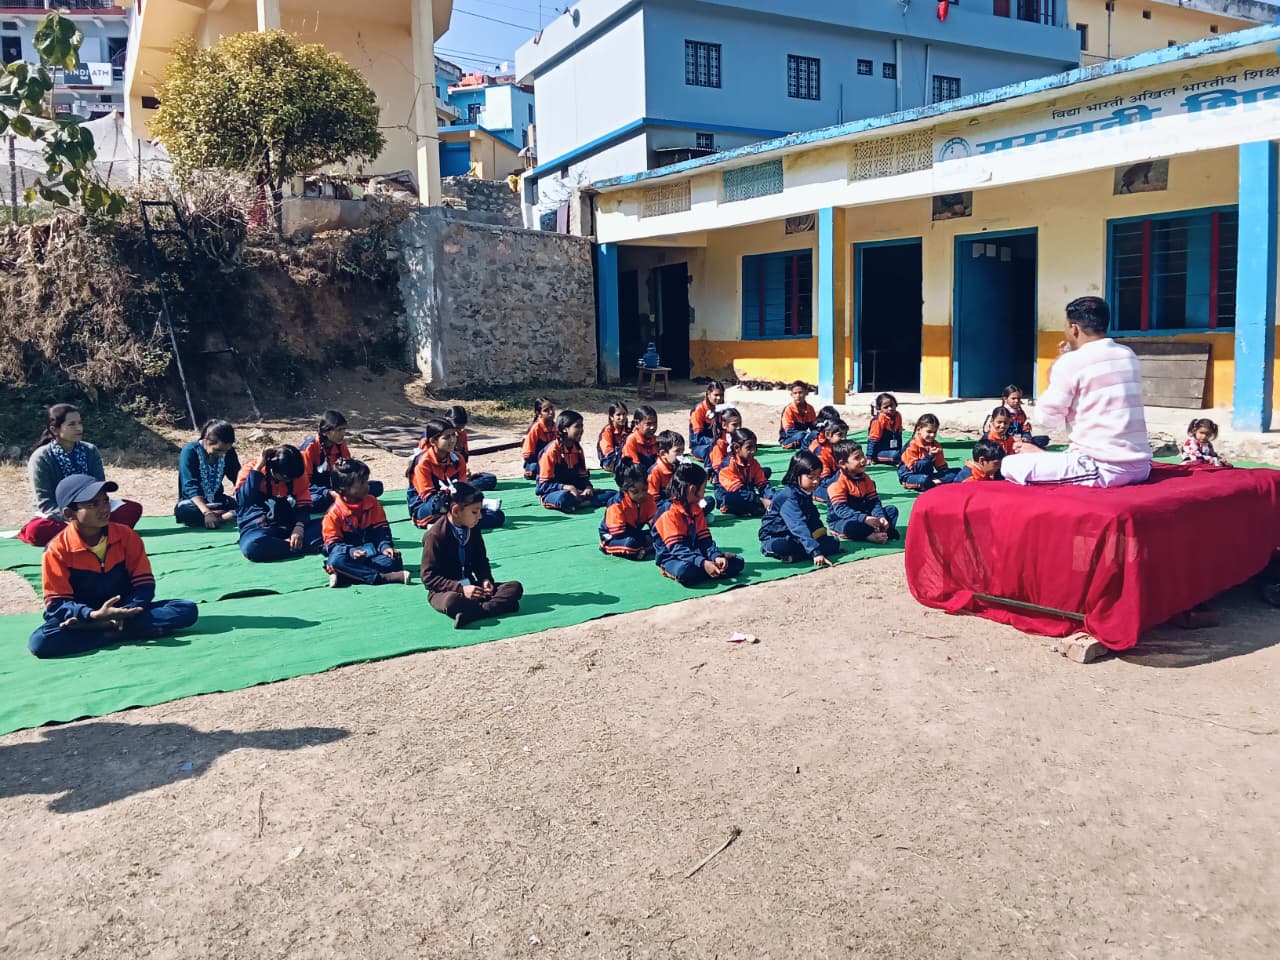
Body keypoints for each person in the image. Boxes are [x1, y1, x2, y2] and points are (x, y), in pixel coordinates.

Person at [28, 475, 198, 658]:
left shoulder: (126, 536)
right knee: (41, 641)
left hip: (123, 612)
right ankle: (122, 631)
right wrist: (93, 615)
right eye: (93, 504)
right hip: (84, 617)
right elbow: (57, 603)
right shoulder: (57, 550)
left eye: (105, 501)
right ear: (69, 514)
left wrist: (125, 611)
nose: (104, 509)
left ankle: (107, 631)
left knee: (186, 609)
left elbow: (144, 584)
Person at [1002, 297, 1152, 487]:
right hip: (1141, 466)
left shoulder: (1070, 362)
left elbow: (1047, 419)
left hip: (1104, 467)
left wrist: (1052, 373)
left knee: (1010, 464)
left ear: (1074, 328)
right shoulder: (1127, 354)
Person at [20, 403, 143, 547]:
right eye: (71, 424)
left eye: (80, 423)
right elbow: (46, 503)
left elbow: (100, 489)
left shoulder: (90, 450)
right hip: (59, 514)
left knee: (131, 509)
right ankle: (96, 530)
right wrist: (76, 516)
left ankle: (87, 529)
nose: (79, 428)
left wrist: (93, 511)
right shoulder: (41, 457)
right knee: (36, 531)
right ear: (55, 429)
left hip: (92, 507)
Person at [421, 482, 524, 628]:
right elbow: (428, 577)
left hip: (472, 586)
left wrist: (485, 579)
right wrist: (460, 589)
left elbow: (480, 559)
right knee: (452, 602)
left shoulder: (472, 528)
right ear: (456, 510)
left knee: (515, 587)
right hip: (446, 591)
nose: (480, 516)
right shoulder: (435, 536)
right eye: (475, 512)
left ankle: (474, 613)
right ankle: (498, 607)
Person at [321, 458, 409, 587]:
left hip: (371, 555)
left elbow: (382, 530)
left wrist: (385, 547)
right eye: (362, 483)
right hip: (349, 556)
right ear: (344, 488)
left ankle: (346, 575)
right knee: (336, 561)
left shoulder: (373, 503)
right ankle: (383, 578)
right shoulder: (332, 514)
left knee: (393, 560)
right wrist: (351, 552)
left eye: (366, 481)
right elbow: (333, 545)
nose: (367, 486)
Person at [654, 462, 744, 586]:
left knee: (737, 563)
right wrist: (703, 563)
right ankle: (669, 569)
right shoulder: (668, 513)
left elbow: (705, 539)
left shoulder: (696, 508)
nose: (704, 493)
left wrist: (716, 556)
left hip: (695, 553)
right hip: (672, 557)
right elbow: (677, 549)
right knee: (685, 572)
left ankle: (709, 569)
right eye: (703, 489)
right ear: (692, 490)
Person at [408, 418, 504, 529]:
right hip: (427, 507)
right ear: (433, 441)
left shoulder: (458, 458)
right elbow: (428, 497)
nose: (452, 440)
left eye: (453, 435)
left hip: (454, 503)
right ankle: (448, 523)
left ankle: (446, 524)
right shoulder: (423, 463)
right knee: (440, 502)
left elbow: (463, 489)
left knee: (497, 516)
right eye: (446, 437)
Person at [234, 445, 323, 562]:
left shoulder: (296, 474)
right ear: (273, 468)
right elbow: (244, 501)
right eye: (285, 477)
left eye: (292, 478)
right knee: (253, 547)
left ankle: (292, 546)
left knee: (333, 525)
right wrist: (258, 468)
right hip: (259, 527)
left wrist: (299, 527)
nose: (289, 481)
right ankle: (299, 547)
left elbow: (303, 504)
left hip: (290, 525)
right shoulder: (251, 470)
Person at [759, 450, 842, 566]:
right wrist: (816, 552)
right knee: (784, 546)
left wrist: (821, 536)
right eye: (811, 477)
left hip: (796, 536)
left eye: (818, 477)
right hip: (776, 536)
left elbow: (813, 517)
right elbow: (797, 525)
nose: (816, 481)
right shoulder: (788, 496)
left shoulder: (805, 492)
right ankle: (803, 553)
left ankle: (797, 556)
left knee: (833, 542)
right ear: (797, 474)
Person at [300, 410, 384, 512]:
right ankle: (345, 501)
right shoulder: (309, 448)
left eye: (344, 429)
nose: (343, 433)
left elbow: (349, 472)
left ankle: (342, 500)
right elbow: (304, 485)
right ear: (326, 432)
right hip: (317, 492)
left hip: (337, 489)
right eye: (339, 430)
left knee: (377, 487)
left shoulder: (340, 444)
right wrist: (328, 493)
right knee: (315, 501)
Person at [537, 410, 614, 512]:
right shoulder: (551, 451)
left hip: (577, 491)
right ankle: (583, 503)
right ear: (565, 429)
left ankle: (579, 503)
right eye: (577, 426)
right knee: (564, 499)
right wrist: (566, 487)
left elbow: (583, 476)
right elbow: (542, 487)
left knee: (613, 494)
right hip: (557, 492)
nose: (581, 430)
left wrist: (587, 487)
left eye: (582, 426)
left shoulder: (577, 449)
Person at [826, 440, 899, 543]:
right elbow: (841, 510)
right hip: (842, 519)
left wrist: (880, 517)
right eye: (857, 458)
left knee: (892, 510)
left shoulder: (866, 478)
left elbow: (874, 501)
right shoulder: (836, 483)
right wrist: (864, 518)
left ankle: (879, 530)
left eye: (862, 455)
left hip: (865, 515)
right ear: (842, 463)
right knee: (851, 527)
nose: (863, 460)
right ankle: (870, 536)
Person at [175, 419, 241, 528]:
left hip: (218, 502)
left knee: (250, 506)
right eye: (218, 450)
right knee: (184, 511)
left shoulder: (229, 453)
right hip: (194, 505)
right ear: (206, 440)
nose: (222, 454)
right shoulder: (190, 451)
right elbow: (191, 486)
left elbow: (238, 478)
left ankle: (219, 518)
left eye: (225, 451)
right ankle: (225, 516)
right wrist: (207, 512)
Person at [599, 462, 656, 560]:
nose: (641, 495)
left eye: (645, 489)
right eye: (635, 492)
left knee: (664, 535)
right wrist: (645, 538)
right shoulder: (616, 504)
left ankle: (646, 550)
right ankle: (649, 548)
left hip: (636, 534)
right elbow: (619, 534)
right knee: (631, 544)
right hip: (614, 537)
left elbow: (655, 524)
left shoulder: (649, 499)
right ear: (625, 490)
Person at [714, 428, 776, 517]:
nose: (753, 451)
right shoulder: (727, 465)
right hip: (729, 496)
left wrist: (772, 498)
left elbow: (763, 485)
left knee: (778, 496)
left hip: (747, 491)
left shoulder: (753, 463)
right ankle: (757, 508)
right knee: (734, 499)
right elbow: (739, 492)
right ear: (736, 448)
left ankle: (758, 508)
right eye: (749, 448)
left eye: (754, 446)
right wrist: (762, 500)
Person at [897, 414, 957, 490]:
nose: (932, 435)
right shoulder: (912, 445)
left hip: (929, 475)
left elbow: (941, 467)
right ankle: (935, 483)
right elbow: (914, 468)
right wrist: (929, 456)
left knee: (958, 472)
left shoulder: (935, 445)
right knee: (924, 480)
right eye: (929, 432)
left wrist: (945, 474)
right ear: (919, 430)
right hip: (910, 475)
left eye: (934, 432)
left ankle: (935, 483)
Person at [447, 405, 497, 491]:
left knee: (489, 478)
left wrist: (465, 474)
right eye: (456, 428)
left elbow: (464, 460)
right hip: (443, 477)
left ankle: (462, 486)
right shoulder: (438, 437)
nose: (459, 431)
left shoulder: (461, 434)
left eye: (461, 428)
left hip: (457, 475)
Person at [809, 416, 849, 502]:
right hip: (819, 484)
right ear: (827, 435)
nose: (844, 439)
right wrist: (843, 472)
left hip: (835, 479)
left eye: (845, 435)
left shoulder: (838, 448)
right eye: (840, 435)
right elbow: (824, 481)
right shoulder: (821, 453)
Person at [1002, 385, 1050, 450]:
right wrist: (1013, 438)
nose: (1016, 401)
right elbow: (1000, 432)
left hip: (1021, 440)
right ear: (1005, 399)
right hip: (1006, 441)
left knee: (1042, 439)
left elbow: (1025, 429)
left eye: (1018, 398)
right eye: (1013, 398)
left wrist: (1026, 437)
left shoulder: (1020, 413)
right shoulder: (1002, 413)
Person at [521, 398, 557, 479]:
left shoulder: (556, 427)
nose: (551, 412)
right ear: (538, 413)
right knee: (534, 469)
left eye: (552, 408)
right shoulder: (536, 428)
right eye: (546, 410)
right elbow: (527, 454)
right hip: (536, 462)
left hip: (552, 461)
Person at [688, 380, 725, 460]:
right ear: (708, 394)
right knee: (714, 451)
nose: (719, 398)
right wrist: (715, 442)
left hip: (719, 443)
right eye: (716, 395)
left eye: (721, 395)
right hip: (700, 446)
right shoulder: (699, 410)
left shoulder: (722, 408)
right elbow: (697, 438)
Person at [778, 380, 818, 450]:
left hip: (804, 436)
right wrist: (807, 434)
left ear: (806, 393)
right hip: (788, 439)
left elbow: (814, 427)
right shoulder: (789, 409)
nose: (798, 396)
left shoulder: (810, 408)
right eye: (795, 393)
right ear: (792, 395)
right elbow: (788, 431)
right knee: (802, 435)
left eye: (800, 393)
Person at [867, 393, 904, 465]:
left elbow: (899, 435)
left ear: (896, 404)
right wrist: (869, 457)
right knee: (897, 455)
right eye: (886, 407)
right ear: (879, 408)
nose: (890, 408)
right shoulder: (878, 421)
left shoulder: (898, 416)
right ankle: (876, 458)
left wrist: (900, 449)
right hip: (879, 451)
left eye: (891, 405)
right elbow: (872, 440)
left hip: (893, 449)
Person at [705, 407, 742, 475]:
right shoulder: (719, 443)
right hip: (721, 470)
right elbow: (717, 466)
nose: (738, 428)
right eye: (734, 425)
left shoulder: (737, 439)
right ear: (724, 425)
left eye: (740, 424)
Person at [621, 405, 659, 470]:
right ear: (636, 424)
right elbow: (635, 468)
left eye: (655, 423)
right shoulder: (632, 440)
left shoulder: (656, 440)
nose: (652, 427)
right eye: (648, 424)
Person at [596, 399, 630, 472]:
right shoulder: (607, 431)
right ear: (611, 417)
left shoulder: (628, 430)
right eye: (618, 415)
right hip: (609, 460)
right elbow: (607, 452)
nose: (622, 418)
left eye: (624, 414)